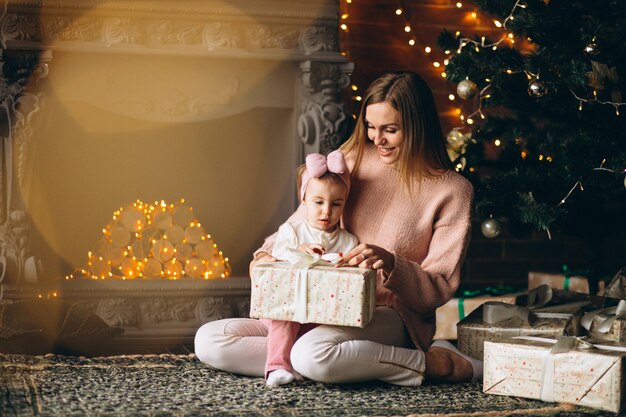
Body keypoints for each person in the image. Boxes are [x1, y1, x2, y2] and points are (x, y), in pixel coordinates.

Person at [195, 71, 481, 386]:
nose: (377, 139)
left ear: (418, 127)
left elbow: (436, 289)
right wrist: (265, 256)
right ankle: (336, 360)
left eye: (390, 130)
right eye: (371, 127)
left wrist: (390, 262)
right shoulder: (352, 160)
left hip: (386, 314)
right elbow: (301, 223)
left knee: (311, 354)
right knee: (211, 340)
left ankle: (429, 363)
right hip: (316, 301)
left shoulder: (453, 190)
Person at [263, 150, 359, 387]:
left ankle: (299, 362)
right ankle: (276, 367)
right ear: (304, 200)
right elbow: (276, 261)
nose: (327, 211)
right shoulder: (292, 232)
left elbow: (351, 279)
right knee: (285, 318)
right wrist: (299, 251)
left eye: (336, 204)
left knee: (329, 330)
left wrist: (343, 263)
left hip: (320, 311)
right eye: (318, 202)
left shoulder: (349, 241)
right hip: (286, 307)